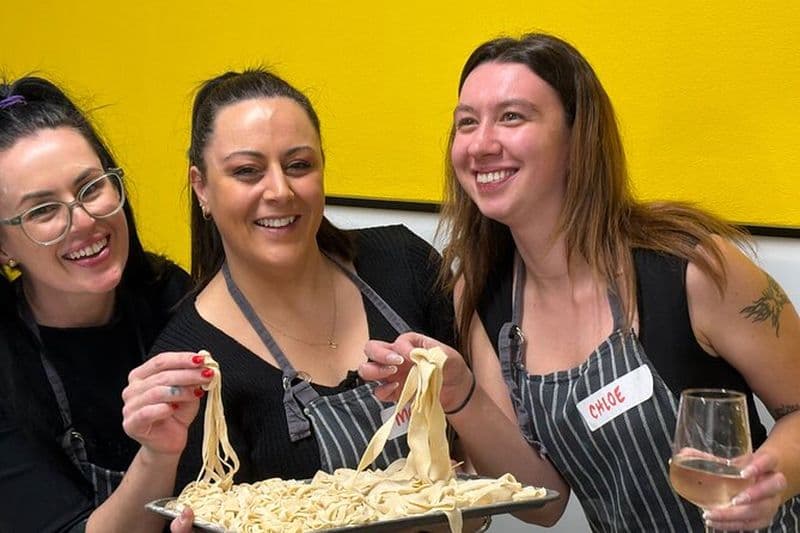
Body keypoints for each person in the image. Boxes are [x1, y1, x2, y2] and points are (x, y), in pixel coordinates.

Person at [360, 33, 800, 532]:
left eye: (512, 116)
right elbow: (542, 504)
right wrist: (459, 393)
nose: (481, 144)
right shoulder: (483, 295)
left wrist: (769, 481)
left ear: (577, 138)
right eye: (467, 122)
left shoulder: (689, 266)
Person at [121, 67, 455, 505]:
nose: (279, 190)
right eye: (247, 171)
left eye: (299, 165)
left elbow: (480, 460)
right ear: (201, 188)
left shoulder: (404, 263)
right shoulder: (193, 363)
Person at [0, 76, 197, 532]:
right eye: (43, 210)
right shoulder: (9, 364)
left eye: (91, 188)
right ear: (4, 247)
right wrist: (158, 453)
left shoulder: (171, 295)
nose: (85, 220)